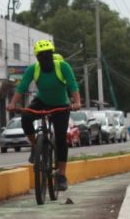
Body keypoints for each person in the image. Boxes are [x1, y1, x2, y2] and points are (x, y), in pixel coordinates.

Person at [7, 39, 81, 192]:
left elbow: (73, 84)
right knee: (26, 117)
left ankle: (61, 175)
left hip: (61, 104)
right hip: (42, 101)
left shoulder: (63, 66)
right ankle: (36, 146)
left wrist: (77, 102)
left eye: (48, 55)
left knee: (61, 138)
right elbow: (22, 87)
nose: (45, 59)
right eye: (42, 56)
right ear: (37, 58)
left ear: (52, 55)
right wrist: (13, 104)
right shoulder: (33, 69)